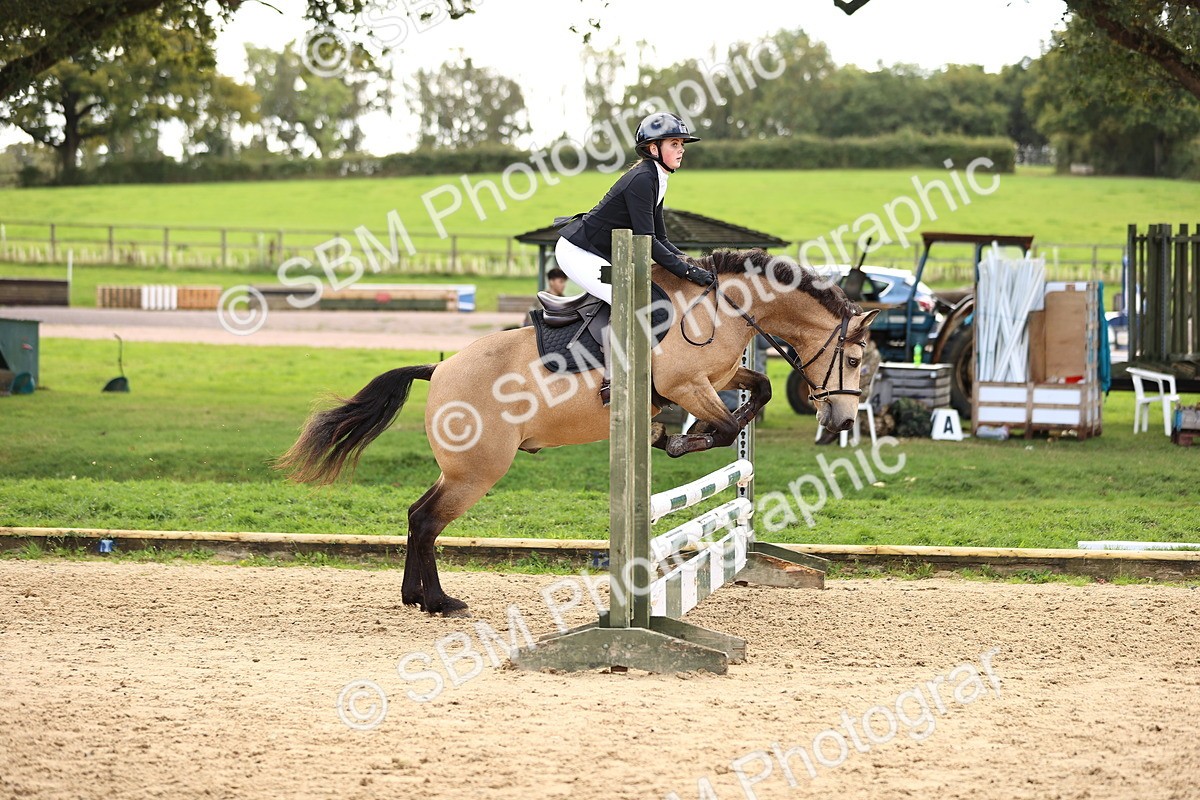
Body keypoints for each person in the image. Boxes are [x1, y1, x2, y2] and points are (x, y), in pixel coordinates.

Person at [555, 111, 716, 402]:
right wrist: (688, 274)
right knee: (625, 299)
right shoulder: (643, 179)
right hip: (578, 252)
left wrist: (692, 263)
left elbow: (663, 238)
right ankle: (612, 379)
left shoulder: (657, 177)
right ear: (653, 148)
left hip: (599, 253)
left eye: (682, 143)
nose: (681, 149)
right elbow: (648, 241)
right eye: (674, 143)